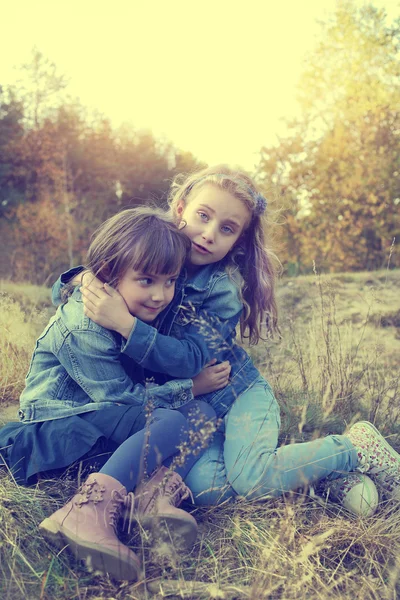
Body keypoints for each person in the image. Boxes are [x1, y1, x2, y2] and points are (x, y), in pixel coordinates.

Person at [56, 166, 400, 516]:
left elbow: (190, 359)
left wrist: (128, 326)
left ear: (238, 240)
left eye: (226, 229)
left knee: (249, 479)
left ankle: (353, 449)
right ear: (180, 209)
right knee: (208, 491)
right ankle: (323, 474)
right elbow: (91, 274)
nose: (208, 234)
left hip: (237, 394)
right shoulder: (148, 246)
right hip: (193, 409)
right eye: (202, 216)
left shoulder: (222, 290)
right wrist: (85, 279)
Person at [0, 207, 229, 581]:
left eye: (169, 281)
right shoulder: (84, 326)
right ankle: (84, 511)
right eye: (146, 280)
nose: (160, 295)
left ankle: (153, 500)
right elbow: (121, 400)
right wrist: (190, 385)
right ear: (107, 274)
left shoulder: (130, 307)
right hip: (60, 427)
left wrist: (193, 393)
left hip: (101, 426)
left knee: (203, 414)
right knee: (172, 416)